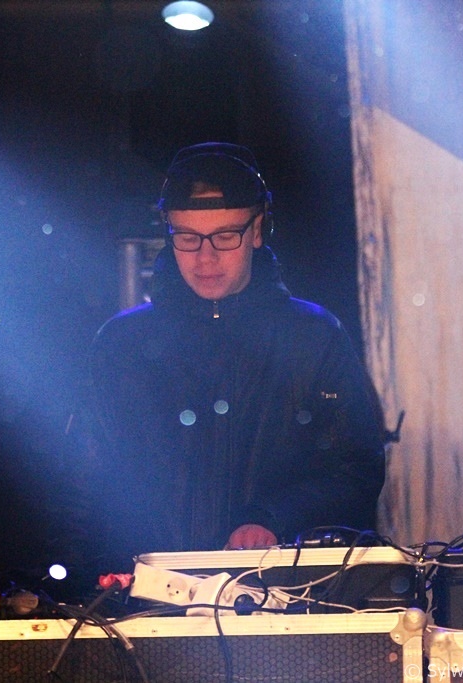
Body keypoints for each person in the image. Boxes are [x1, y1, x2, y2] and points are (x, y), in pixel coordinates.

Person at [76, 142, 387, 573]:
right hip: (146, 592)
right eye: (188, 238)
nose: (206, 258)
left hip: (278, 588)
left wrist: (272, 519)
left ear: (257, 230)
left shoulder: (314, 338)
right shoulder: (121, 344)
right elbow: (86, 479)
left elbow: (356, 469)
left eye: (225, 237)